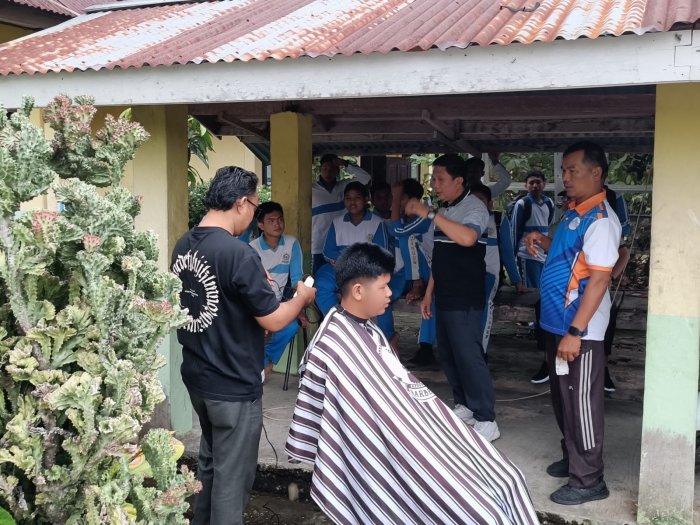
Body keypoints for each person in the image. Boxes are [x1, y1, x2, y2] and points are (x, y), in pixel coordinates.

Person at [286, 243, 539, 525]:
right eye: (383, 286)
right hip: (384, 448)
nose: (390, 293)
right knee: (479, 509)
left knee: (506, 477)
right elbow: (347, 421)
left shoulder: (367, 328)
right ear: (358, 291)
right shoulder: (333, 344)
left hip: (405, 430)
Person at [170, 166, 316, 525]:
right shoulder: (238, 253)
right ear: (240, 203)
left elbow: (222, 299)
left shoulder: (184, 244)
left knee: (210, 464)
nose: (253, 214)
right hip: (233, 385)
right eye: (254, 205)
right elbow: (274, 320)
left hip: (199, 378)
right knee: (232, 481)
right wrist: (301, 298)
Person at [524, 141, 621, 505]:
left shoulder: (601, 221)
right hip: (557, 323)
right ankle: (573, 457)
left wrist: (576, 332)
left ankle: (589, 479)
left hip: (581, 331)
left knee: (581, 404)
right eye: (563, 170)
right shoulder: (574, 212)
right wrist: (543, 240)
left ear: (596, 173)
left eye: (573, 170)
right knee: (563, 399)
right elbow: (571, 257)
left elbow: (599, 279)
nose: (565, 177)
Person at [405, 154, 500, 442]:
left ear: (459, 181)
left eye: (440, 179)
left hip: (465, 295)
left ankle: (487, 418)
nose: (435, 184)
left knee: (469, 355)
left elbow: (468, 238)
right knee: (448, 354)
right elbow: (440, 256)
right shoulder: (446, 209)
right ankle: (465, 405)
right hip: (444, 293)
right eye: (433, 179)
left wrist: (430, 214)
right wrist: (428, 293)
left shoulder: (475, 207)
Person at [315, 181, 394, 342]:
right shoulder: (337, 222)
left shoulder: (376, 223)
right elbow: (328, 252)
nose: (352, 202)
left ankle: (388, 340)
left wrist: (357, 262)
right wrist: (346, 261)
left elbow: (382, 252)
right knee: (322, 285)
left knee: (381, 295)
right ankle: (341, 325)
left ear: (366, 199)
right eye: (348, 198)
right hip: (339, 267)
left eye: (357, 198)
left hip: (366, 270)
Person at [248, 201, 307, 379]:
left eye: (280, 219)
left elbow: (297, 281)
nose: (277, 224)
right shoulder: (252, 248)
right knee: (251, 329)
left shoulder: (291, 243)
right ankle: (260, 366)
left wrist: (299, 308)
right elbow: (252, 285)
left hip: (280, 304)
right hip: (258, 304)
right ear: (260, 225)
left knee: (291, 327)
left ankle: (267, 362)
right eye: (271, 220)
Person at [389, 178, 436, 365]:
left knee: (406, 239)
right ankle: (388, 339)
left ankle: (417, 283)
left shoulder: (425, 215)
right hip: (413, 271)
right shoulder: (408, 218)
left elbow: (397, 231)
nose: (395, 203)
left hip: (433, 271)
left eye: (399, 199)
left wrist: (396, 196)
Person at [311, 154, 372, 274]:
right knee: (319, 278)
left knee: (344, 278)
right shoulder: (311, 189)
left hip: (340, 244)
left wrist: (345, 163)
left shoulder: (344, 187)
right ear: (320, 170)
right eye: (325, 168)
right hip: (318, 245)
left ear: (337, 170)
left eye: (332, 168)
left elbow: (365, 177)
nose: (328, 172)